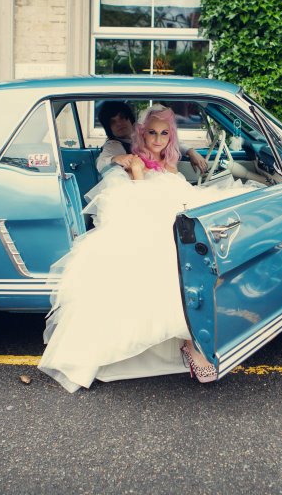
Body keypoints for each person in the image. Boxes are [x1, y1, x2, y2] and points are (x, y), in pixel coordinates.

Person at [39, 105, 235, 392]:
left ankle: (196, 338)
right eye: (152, 133)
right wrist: (132, 165)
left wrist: (189, 152)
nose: (158, 139)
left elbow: (171, 159)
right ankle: (191, 343)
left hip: (175, 212)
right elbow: (128, 191)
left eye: (164, 133)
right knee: (167, 260)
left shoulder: (166, 156)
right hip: (147, 219)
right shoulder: (126, 155)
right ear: (141, 133)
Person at [95, 101, 208, 175]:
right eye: (113, 122)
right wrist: (116, 158)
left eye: (122, 118)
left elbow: (167, 140)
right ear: (108, 127)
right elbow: (101, 163)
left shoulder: (145, 135)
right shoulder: (114, 144)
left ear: (130, 118)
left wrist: (191, 151)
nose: (119, 123)